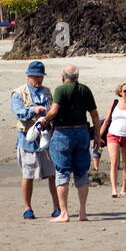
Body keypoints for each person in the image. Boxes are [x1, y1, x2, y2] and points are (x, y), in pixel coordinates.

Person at [41, 63, 101, 223]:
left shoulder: (60, 90)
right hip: (82, 132)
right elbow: (94, 114)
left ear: (62, 78)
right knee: (81, 172)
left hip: (63, 133)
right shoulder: (85, 90)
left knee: (62, 172)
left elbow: (53, 111)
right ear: (78, 77)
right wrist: (97, 135)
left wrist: (44, 120)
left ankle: (64, 213)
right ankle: (82, 212)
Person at [11, 60, 60, 220]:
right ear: (29, 76)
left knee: (53, 174)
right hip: (27, 140)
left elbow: (54, 109)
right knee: (28, 174)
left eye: (41, 77)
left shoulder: (47, 92)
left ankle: (57, 207)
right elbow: (19, 112)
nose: (39, 80)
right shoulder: (18, 93)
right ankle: (28, 208)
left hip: (47, 138)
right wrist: (34, 110)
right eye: (36, 77)